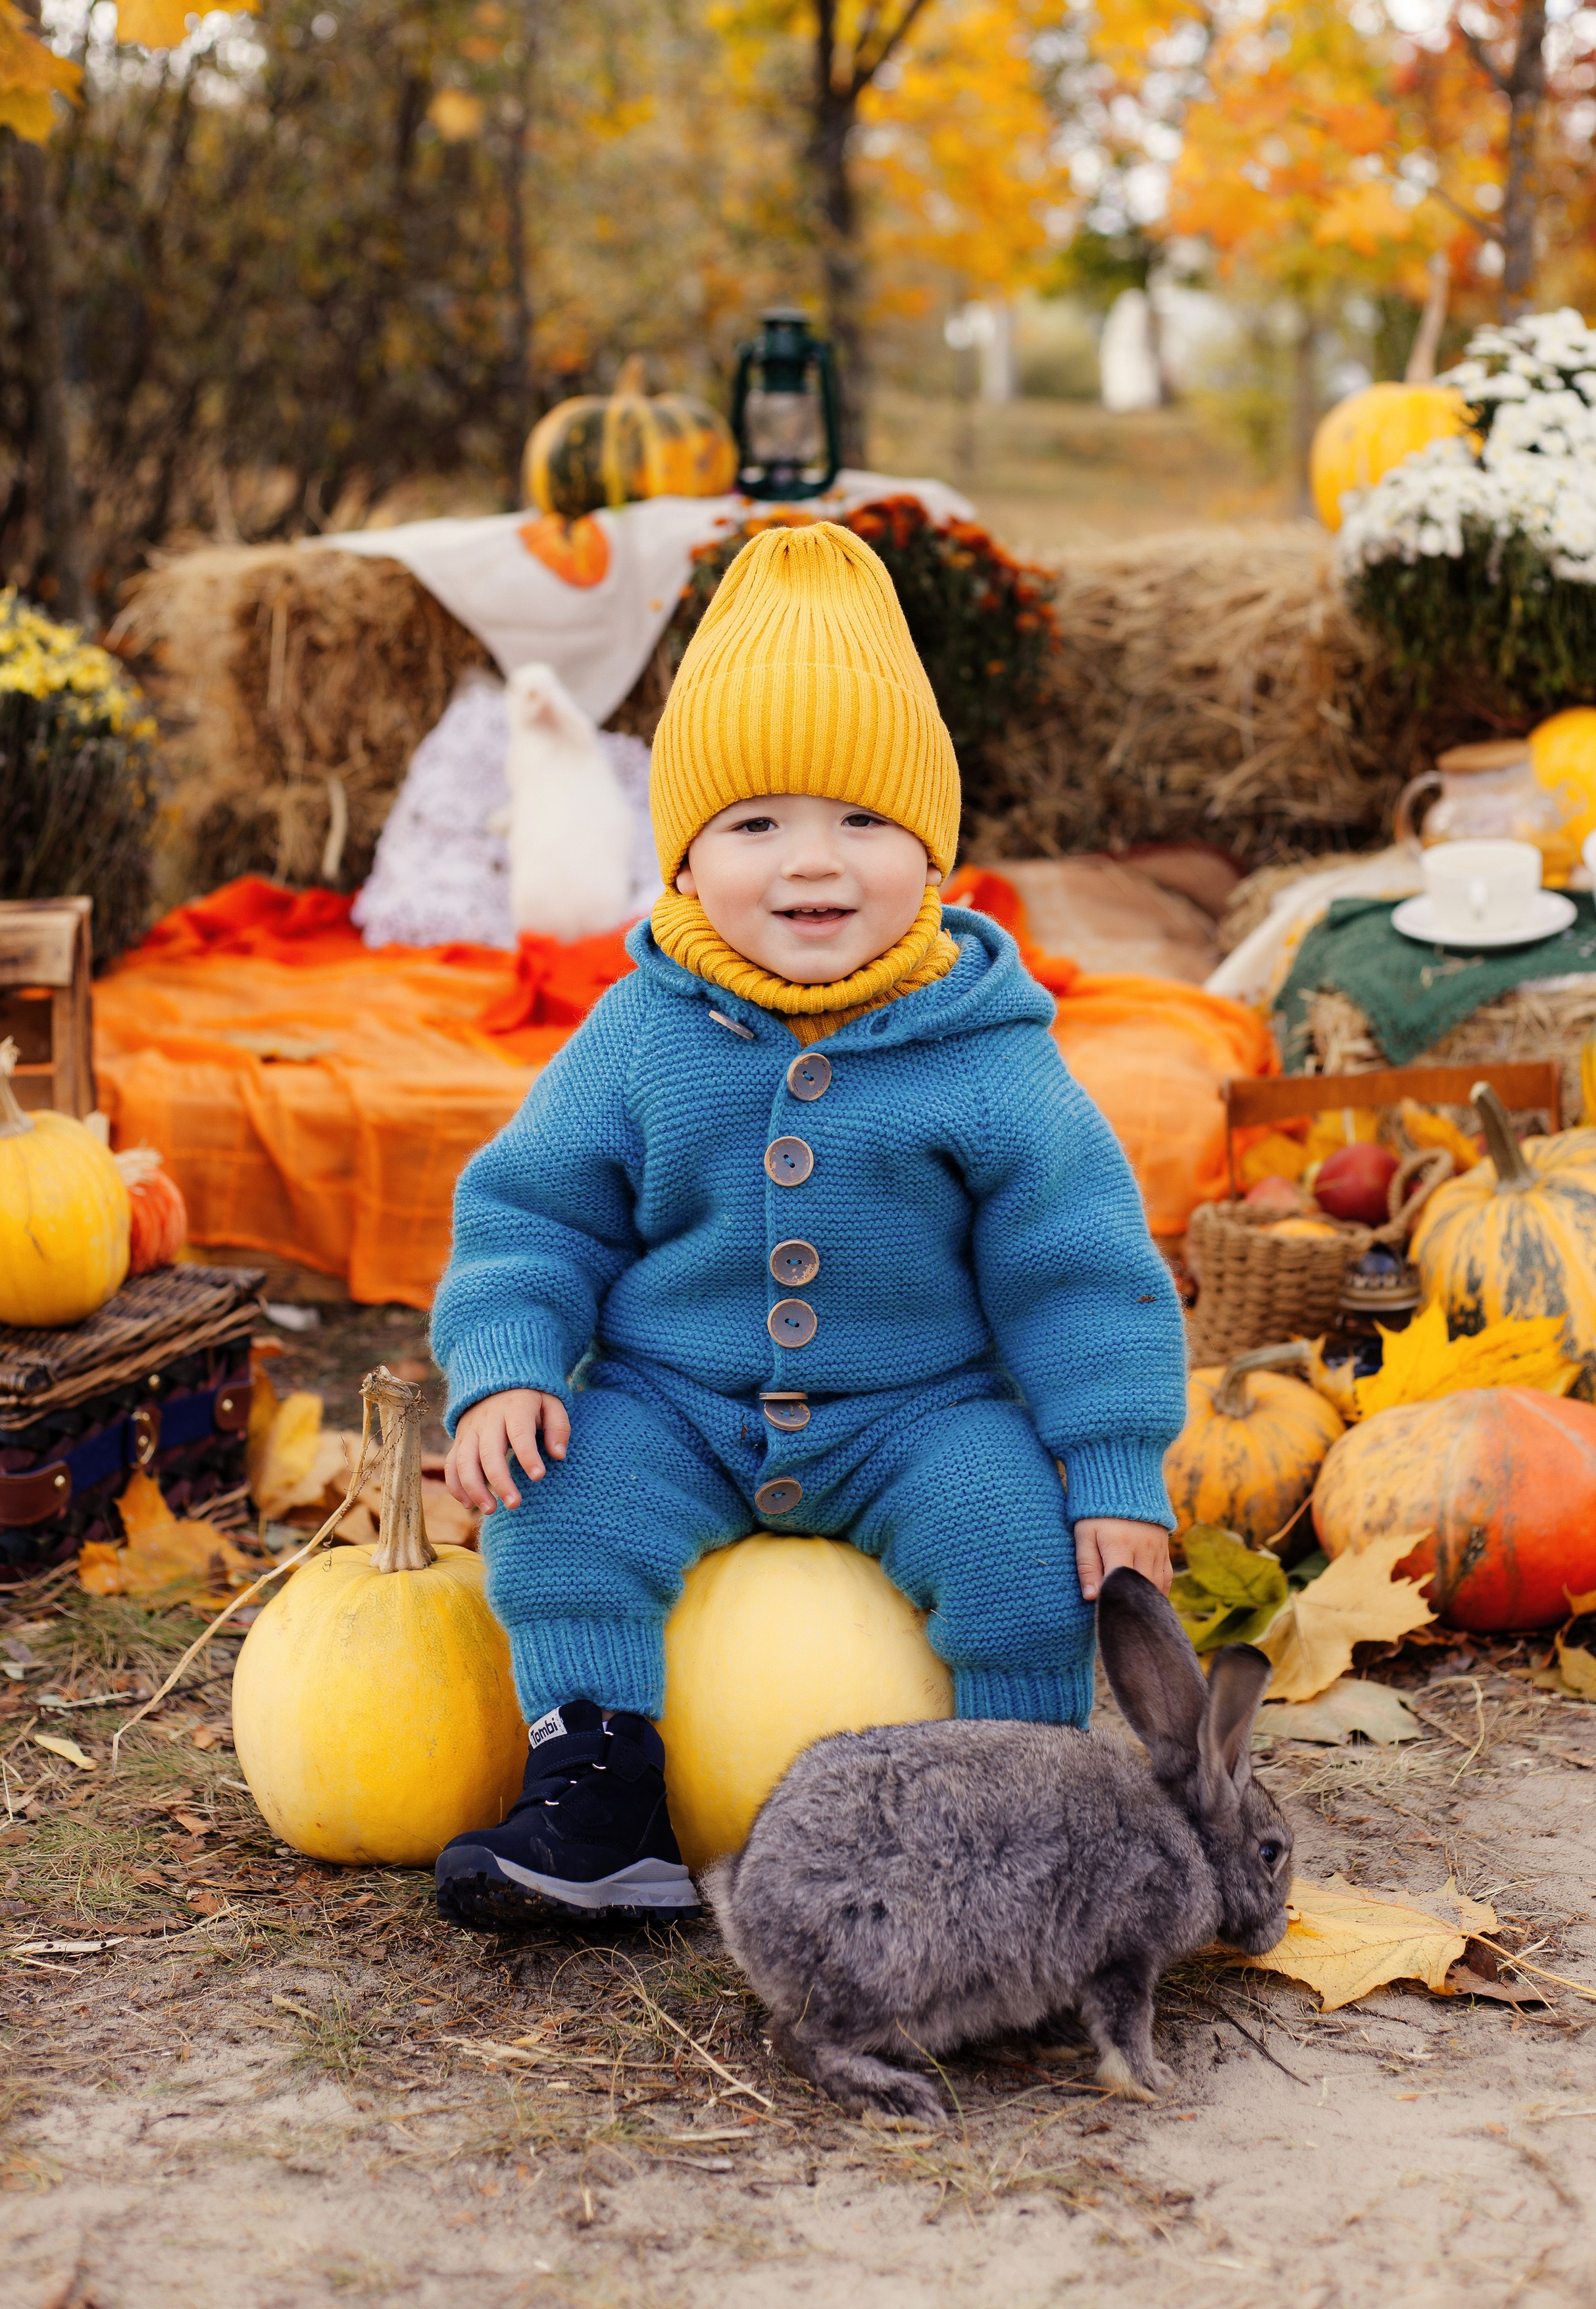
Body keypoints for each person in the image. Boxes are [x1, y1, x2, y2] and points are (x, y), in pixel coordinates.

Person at [429, 519, 1187, 1929]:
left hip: (916, 1411)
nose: (810, 864)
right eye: (753, 823)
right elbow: (532, 1211)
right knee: (556, 1509)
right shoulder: (639, 1032)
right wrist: (510, 1363)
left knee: (1019, 1552)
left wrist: (1112, 1465)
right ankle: (601, 1793)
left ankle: (1017, 1807)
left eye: (862, 821)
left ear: (934, 848)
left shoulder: (985, 1050)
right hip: (676, 1400)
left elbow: (1078, 1271)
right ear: (682, 857)